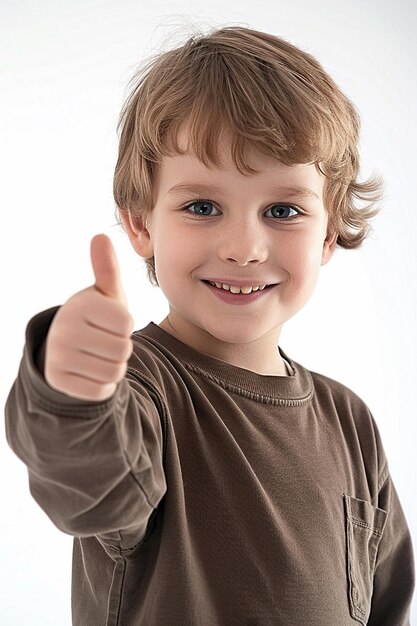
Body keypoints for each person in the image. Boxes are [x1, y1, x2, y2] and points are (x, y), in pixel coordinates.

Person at [4, 25, 415, 625]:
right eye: (202, 207)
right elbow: (88, 482)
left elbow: (388, 604)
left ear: (328, 233)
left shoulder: (349, 422)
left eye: (283, 210)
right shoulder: (139, 389)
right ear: (141, 222)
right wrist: (74, 391)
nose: (244, 247)